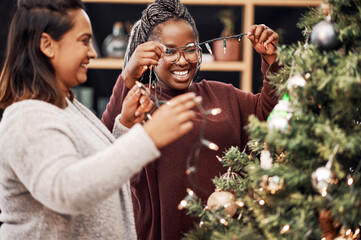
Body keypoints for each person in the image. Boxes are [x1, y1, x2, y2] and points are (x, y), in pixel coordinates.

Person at [0, 0, 201, 239]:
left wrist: (125, 127)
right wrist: (147, 138)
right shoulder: (27, 117)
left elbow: (95, 173)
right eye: (84, 41)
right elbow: (67, 191)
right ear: (47, 45)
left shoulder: (68, 107)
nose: (92, 52)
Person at [101, 0, 280, 239]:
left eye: (190, 48)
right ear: (150, 54)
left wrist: (272, 61)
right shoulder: (138, 101)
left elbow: (270, 114)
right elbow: (104, 146)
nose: (183, 60)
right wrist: (129, 75)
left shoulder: (222, 95)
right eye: (170, 51)